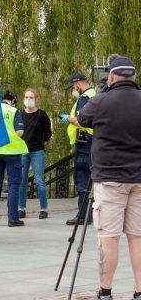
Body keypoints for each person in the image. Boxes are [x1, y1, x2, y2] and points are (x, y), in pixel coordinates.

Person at [77, 56, 141, 300]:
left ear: (111, 77)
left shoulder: (101, 101)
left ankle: (105, 294)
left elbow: (82, 119)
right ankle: (139, 293)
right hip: (139, 179)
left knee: (109, 238)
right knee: (137, 237)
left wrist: (104, 93)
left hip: (110, 179)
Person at [59, 73, 96, 225]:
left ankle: (83, 215)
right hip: (93, 143)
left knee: (82, 179)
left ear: (78, 84)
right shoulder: (96, 94)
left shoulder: (85, 98)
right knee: (91, 179)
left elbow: (83, 121)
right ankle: (91, 213)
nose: (74, 89)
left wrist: (68, 118)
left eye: (73, 87)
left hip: (85, 144)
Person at [0, 90, 28, 227]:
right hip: (12, 152)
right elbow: (20, 132)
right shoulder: (13, 111)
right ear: (13, 101)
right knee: (13, 185)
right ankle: (12, 218)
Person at [18, 88, 52, 219]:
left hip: (37, 151)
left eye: (31, 97)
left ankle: (43, 209)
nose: (28, 100)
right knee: (22, 181)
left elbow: (47, 133)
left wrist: (41, 141)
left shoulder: (41, 115)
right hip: (22, 152)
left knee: (39, 181)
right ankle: (21, 208)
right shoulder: (20, 115)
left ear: (36, 99)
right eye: (26, 97)